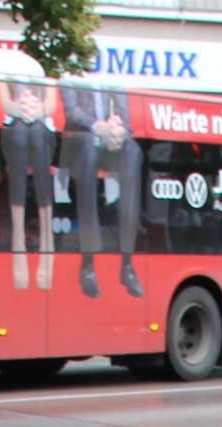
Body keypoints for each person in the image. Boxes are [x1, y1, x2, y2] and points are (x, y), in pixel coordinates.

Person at [63, 79, 144, 300]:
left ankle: (127, 264)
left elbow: (125, 119)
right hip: (81, 140)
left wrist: (119, 132)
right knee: (89, 147)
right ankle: (88, 262)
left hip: (111, 143)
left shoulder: (112, 78)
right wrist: (99, 128)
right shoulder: (71, 75)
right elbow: (73, 113)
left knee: (134, 151)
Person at [0, 77, 61, 292]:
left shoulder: (47, 78)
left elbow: (50, 106)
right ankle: (18, 236)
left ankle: (47, 236)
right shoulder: (5, 75)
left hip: (41, 128)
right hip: (14, 127)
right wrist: (21, 109)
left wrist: (35, 111)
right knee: (18, 133)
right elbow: (6, 104)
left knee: (36, 134)